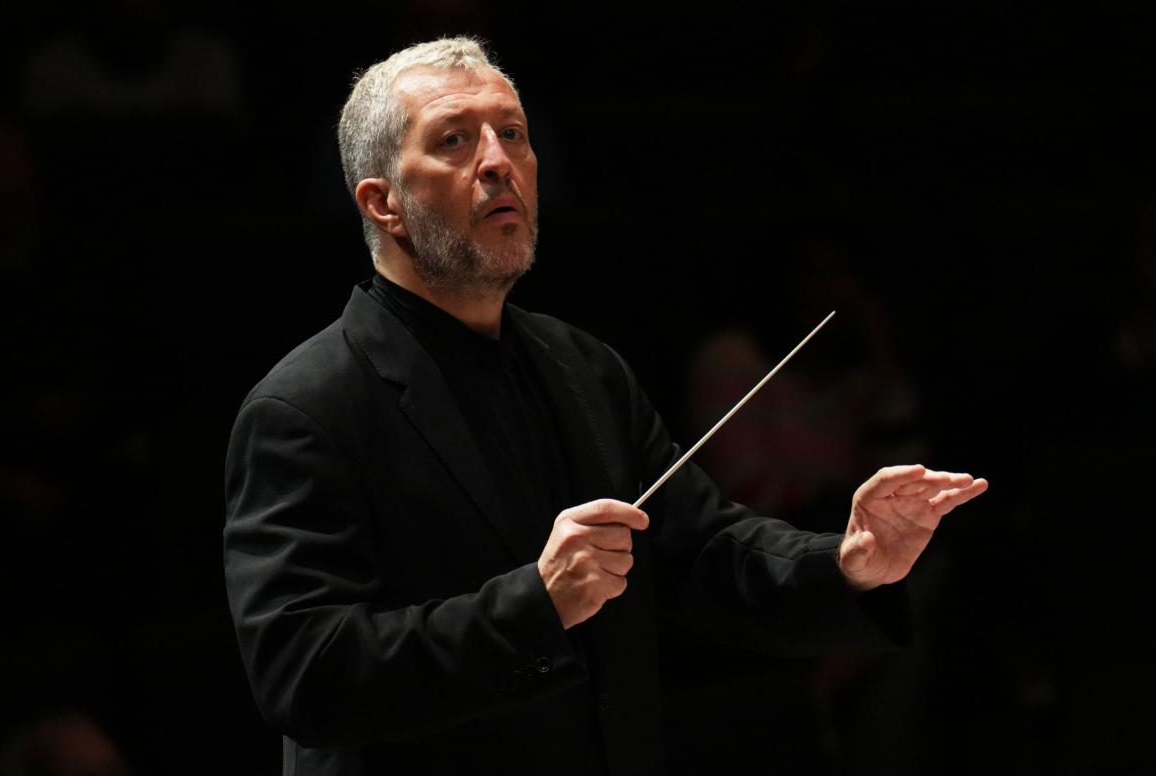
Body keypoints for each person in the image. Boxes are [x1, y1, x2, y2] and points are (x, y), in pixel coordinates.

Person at [222, 37, 988, 776]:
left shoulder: (580, 366)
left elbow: (702, 551)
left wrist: (847, 562)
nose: (499, 162)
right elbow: (303, 675)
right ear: (382, 203)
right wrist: (533, 604)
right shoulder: (305, 407)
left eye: (512, 134)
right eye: (454, 141)